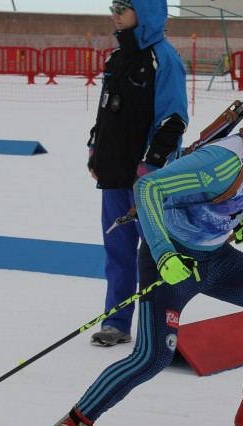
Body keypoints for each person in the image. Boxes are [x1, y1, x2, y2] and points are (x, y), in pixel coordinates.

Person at [41, 85, 243, 426]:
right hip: (173, 262)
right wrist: (163, 255)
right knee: (152, 357)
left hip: (214, 258)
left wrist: (233, 218)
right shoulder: (224, 160)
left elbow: (220, 197)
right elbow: (147, 189)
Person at [86, 0, 188, 347]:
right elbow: (105, 112)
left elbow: (174, 120)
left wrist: (151, 165)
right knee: (117, 251)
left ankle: (158, 323)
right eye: (112, 6)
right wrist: (95, 148)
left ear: (144, 11)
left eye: (122, 6)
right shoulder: (116, 57)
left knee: (155, 252)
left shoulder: (165, 58)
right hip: (114, 173)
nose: (114, 13)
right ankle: (116, 321)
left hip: (149, 179)